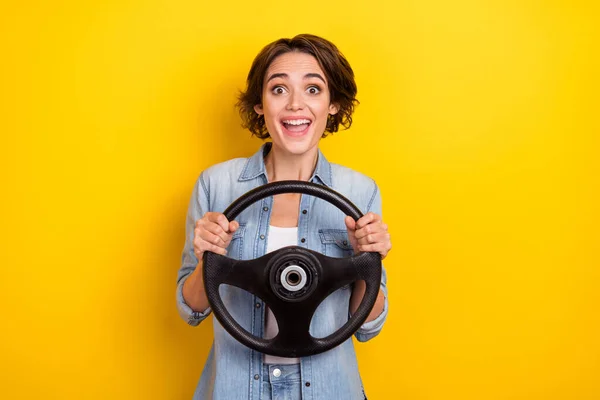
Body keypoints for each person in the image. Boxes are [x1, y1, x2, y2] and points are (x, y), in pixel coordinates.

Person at [176, 34, 392, 400]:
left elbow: (368, 326)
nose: (295, 105)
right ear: (260, 104)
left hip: (329, 389)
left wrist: (366, 261)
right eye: (278, 90)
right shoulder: (216, 184)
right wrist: (206, 258)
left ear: (334, 104)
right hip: (236, 387)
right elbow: (191, 309)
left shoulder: (360, 191)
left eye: (312, 89)